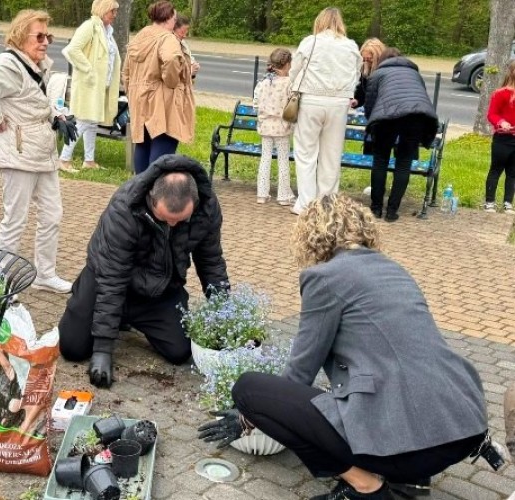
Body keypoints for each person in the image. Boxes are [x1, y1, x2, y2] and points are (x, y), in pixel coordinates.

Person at [198, 194, 489, 500]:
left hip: (412, 449)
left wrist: (247, 416)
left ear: (310, 237)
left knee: (250, 389)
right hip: (463, 428)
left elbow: (300, 373)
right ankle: (411, 482)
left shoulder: (323, 278)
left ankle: (367, 487)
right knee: (398, 378)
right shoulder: (394, 270)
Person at [58, 154, 230, 388]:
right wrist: (102, 349)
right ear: (151, 198)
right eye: (165, 219)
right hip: (109, 280)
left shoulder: (207, 208)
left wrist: (226, 315)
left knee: (179, 352)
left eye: (180, 221)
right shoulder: (124, 209)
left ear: (195, 201)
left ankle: (130, 318)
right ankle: (93, 301)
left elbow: (211, 261)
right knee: (72, 348)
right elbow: (112, 278)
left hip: (160, 288)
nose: (172, 226)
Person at [0, 9, 74, 295]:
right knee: (15, 219)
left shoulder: (38, 64)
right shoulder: (10, 64)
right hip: (17, 152)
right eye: (39, 36)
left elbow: (34, 101)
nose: (45, 42)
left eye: (48, 36)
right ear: (19, 37)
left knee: (52, 214)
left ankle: (45, 274)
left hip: (42, 150)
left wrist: (58, 117)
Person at [289, 7, 360, 215]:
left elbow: (295, 70)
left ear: (320, 21)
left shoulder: (310, 42)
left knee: (306, 153)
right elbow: (356, 74)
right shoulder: (350, 46)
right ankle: (327, 202)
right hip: (338, 103)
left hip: (311, 100)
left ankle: (306, 203)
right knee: (332, 154)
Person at [364, 47, 439, 221]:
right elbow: (420, 99)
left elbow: (370, 104)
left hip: (386, 119)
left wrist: (372, 122)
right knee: (404, 163)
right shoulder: (415, 74)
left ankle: (376, 208)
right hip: (415, 119)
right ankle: (392, 211)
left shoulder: (377, 75)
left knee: (380, 160)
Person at [122, 0, 194, 174]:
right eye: (174, 17)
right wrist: (171, 81)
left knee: (143, 145)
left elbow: (126, 71)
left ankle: (140, 193)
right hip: (163, 103)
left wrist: (133, 91)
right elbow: (170, 59)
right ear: (169, 18)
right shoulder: (167, 38)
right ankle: (155, 196)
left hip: (141, 101)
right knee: (162, 152)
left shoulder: (140, 36)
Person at [59, 0, 121, 173]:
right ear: (102, 10)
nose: (115, 15)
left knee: (92, 123)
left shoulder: (107, 30)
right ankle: (64, 159)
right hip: (89, 85)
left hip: (100, 86)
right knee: (84, 122)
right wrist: (89, 70)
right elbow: (72, 50)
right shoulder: (89, 27)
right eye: (112, 11)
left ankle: (89, 160)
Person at [253, 48, 295, 206]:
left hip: (265, 126)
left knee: (265, 159)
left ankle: (262, 194)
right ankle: (283, 195)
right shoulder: (289, 83)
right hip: (282, 126)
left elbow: (256, 103)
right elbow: (293, 103)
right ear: (287, 64)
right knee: (283, 160)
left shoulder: (264, 82)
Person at [483, 60, 515, 215]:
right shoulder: (501, 93)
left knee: (513, 173)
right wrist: (501, 122)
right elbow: (492, 114)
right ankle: (489, 202)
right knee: (496, 169)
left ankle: (508, 202)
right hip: (503, 139)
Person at [352, 38, 385, 108]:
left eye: (370, 59)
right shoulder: (363, 69)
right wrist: (357, 101)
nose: (366, 62)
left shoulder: (385, 71)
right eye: (364, 59)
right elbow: (361, 93)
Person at [173, 14, 199, 79]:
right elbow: (170, 78)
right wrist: (190, 72)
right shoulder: (168, 47)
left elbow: (190, 60)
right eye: (182, 32)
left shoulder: (183, 43)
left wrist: (194, 68)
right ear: (173, 29)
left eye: (186, 31)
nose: (185, 36)